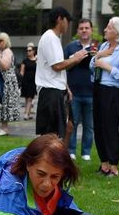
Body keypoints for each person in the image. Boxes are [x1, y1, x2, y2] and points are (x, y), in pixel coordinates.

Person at [35, 7, 88, 139]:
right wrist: (75, 59)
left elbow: (58, 65)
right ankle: (46, 159)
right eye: (67, 20)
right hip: (50, 92)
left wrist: (66, 88)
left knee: (61, 131)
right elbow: (57, 66)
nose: (68, 24)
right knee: (50, 135)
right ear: (60, 19)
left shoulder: (54, 38)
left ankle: (57, 159)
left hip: (55, 90)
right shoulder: (50, 38)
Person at [91, 17, 119, 177]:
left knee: (110, 128)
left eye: (108, 27)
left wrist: (106, 66)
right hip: (98, 88)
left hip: (113, 92)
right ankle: (104, 164)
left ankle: (114, 166)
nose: (105, 30)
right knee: (99, 127)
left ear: (117, 32)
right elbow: (92, 66)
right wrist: (98, 56)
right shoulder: (103, 46)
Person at [64, 18, 96, 160]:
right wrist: (76, 58)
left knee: (89, 125)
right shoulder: (70, 47)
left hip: (92, 93)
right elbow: (63, 67)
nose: (84, 30)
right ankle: (71, 151)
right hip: (74, 93)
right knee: (73, 123)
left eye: (86, 28)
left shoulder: (97, 48)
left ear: (91, 30)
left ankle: (86, 153)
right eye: (81, 28)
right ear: (77, 30)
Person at [0, 32, 21, 135]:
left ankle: (4, 128)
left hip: (7, 81)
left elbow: (5, 66)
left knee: (5, 104)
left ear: (6, 41)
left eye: (1, 40)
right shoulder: (1, 52)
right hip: (1, 80)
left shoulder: (7, 51)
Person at [20, 43, 37, 118]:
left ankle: (26, 114)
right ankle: (28, 113)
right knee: (27, 98)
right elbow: (22, 72)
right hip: (26, 81)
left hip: (33, 81)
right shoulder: (25, 61)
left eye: (30, 50)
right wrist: (20, 81)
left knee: (30, 98)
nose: (28, 52)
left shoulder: (37, 61)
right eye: (27, 51)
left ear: (33, 51)